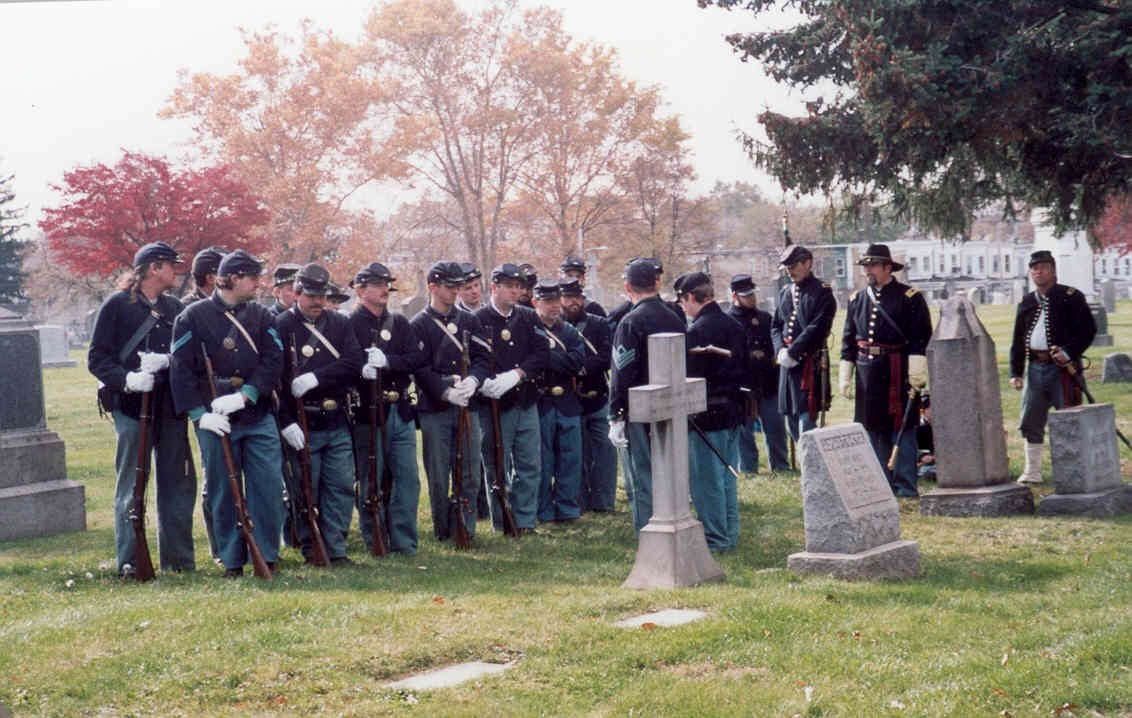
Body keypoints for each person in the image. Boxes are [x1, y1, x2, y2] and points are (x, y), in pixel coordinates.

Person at [170, 249, 284, 577]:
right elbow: (181, 370)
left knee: (267, 487)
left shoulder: (262, 317)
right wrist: (198, 414)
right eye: (253, 278)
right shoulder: (192, 317)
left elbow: (273, 360)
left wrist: (248, 394)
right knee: (222, 490)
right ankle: (232, 559)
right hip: (215, 420)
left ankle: (267, 555)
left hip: (256, 414)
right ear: (233, 278)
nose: (258, 285)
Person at [89, 241, 197, 577]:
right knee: (132, 486)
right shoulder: (117, 307)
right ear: (154, 268)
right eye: (169, 265)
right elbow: (97, 360)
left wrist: (168, 360)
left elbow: (188, 356)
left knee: (177, 486)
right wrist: (129, 380)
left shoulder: (175, 307)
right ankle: (130, 561)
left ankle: (179, 561)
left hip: (169, 409)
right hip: (132, 407)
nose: (175, 272)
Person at [274, 264, 364, 565]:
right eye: (311, 296)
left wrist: (317, 378)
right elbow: (273, 381)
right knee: (304, 489)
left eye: (322, 296)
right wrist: (285, 422)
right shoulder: (281, 326)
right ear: (297, 293)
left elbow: (353, 362)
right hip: (303, 422)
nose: (318, 302)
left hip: (336, 417)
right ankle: (311, 547)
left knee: (339, 487)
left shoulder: (339, 324)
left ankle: (335, 548)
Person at [839, 243, 933, 497]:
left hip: (897, 370)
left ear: (888, 267)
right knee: (873, 427)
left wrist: (915, 369)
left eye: (872, 266)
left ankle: (904, 485)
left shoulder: (909, 297)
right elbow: (848, 339)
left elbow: (920, 335)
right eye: (865, 266)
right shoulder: (856, 299)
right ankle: (882, 484)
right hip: (867, 372)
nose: (867, 271)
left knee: (902, 426)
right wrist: (846, 373)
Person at [411, 261, 491, 542]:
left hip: (468, 405)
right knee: (438, 473)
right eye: (450, 286)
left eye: (458, 286)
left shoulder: (470, 321)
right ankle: (443, 530)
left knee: (469, 471)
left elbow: (483, 358)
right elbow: (419, 368)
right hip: (435, 407)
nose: (456, 291)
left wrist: (474, 381)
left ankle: (465, 528)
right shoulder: (419, 325)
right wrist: (445, 391)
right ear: (433, 286)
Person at [349, 262, 426, 554]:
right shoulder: (349, 325)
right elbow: (346, 365)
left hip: (399, 409)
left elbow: (415, 360)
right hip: (368, 412)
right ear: (360, 289)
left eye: (386, 285)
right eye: (377, 285)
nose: (384, 290)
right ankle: (374, 538)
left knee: (407, 479)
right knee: (370, 478)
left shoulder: (400, 323)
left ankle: (404, 541)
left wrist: (389, 362)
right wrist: (361, 369)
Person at [608, 257, 687, 531]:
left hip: (639, 411)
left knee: (641, 478)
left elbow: (622, 372)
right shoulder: (675, 316)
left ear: (628, 287)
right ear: (657, 282)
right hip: (672, 405)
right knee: (671, 473)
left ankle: (648, 532)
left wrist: (615, 414)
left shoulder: (630, 322)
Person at [1008, 250, 1096, 484]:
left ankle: (1075, 470)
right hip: (1035, 368)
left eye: (1043, 267)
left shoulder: (1071, 296)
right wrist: (1016, 372)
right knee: (1031, 418)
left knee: (1069, 416)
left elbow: (1088, 330)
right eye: (1034, 268)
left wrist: (1068, 352)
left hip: (1064, 369)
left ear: (1053, 270)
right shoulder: (1027, 301)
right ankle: (1032, 471)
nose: (1038, 272)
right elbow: (1018, 339)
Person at [474, 263, 548, 532]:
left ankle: (525, 520)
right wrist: (483, 383)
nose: (516, 291)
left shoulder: (528, 317)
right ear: (494, 287)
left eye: (519, 286)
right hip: (494, 404)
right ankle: (501, 521)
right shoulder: (478, 319)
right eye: (510, 286)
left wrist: (517, 374)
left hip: (525, 399)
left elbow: (541, 354)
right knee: (496, 465)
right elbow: (474, 358)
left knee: (529, 464)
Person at [676, 271, 745, 551]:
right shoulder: (733, 325)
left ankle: (716, 540)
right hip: (733, 411)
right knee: (727, 477)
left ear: (691, 297)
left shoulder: (697, 332)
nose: (683, 307)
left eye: (683, 301)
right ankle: (729, 534)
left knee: (707, 482)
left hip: (706, 414)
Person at [181, 245, 228, 561]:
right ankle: (219, 545)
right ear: (212, 277)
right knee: (216, 474)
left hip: (234, 399)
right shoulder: (185, 310)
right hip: (205, 403)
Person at [532, 279, 586, 523]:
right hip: (541, 402)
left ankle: (567, 508)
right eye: (548, 302)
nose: (554, 306)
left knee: (570, 458)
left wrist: (546, 358)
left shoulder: (570, 332)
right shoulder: (530, 330)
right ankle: (543, 510)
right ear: (535, 303)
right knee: (542, 460)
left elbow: (577, 362)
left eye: (556, 301)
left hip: (567, 401)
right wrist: (554, 358)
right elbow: (531, 362)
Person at [561, 279, 617, 512]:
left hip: (598, 397)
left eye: (578, 298)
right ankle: (580, 502)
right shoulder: (556, 327)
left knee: (606, 451)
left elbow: (606, 356)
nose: (574, 302)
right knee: (576, 455)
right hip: (570, 400)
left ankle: (604, 502)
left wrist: (582, 368)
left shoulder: (599, 324)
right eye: (569, 298)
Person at [771, 245, 836, 442]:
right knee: (791, 420)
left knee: (807, 421)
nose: (789, 271)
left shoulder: (822, 292)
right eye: (787, 267)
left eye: (793, 265)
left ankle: (812, 468)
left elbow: (816, 327)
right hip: (787, 363)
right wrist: (780, 350)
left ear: (807, 263)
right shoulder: (785, 292)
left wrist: (793, 352)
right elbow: (776, 325)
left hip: (809, 361)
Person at [727, 273, 788, 474]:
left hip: (767, 381)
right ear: (735, 296)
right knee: (744, 433)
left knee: (776, 428)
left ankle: (780, 466)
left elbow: (775, 343)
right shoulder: (729, 321)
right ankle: (748, 469)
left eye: (752, 294)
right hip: (743, 384)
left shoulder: (764, 318)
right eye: (746, 295)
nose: (751, 298)